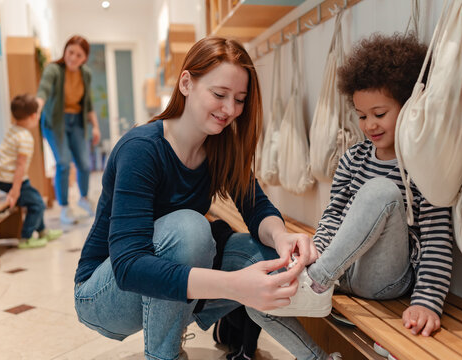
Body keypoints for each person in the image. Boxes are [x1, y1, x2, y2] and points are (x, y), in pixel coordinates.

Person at [74, 37, 322, 360]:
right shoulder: (141, 150)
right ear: (186, 83)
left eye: (240, 99)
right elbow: (128, 266)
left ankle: (314, 356)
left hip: (155, 281)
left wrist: (282, 236)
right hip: (103, 294)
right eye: (219, 95)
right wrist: (234, 286)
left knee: (263, 253)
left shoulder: (221, 146)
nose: (230, 110)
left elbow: (255, 206)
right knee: (190, 229)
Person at [246, 33, 454, 357]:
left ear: (410, 105)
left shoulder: (423, 165)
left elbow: (437, 239)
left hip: (383, 279)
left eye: (379, 113)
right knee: (257, 298)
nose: (369, 124)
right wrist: (310, 258)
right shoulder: (353, 157)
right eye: (361, 115)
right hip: (339, 270)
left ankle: (315, 283)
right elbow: (332, 216)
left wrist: (427, 302)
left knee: (381, 191)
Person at [37, 35, 101, 225]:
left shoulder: (85, 74)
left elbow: (88, 103)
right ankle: (65, 207)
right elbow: (44, 89)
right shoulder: (54, 70)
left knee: (84, 164)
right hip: (56, 123)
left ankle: (83, 199)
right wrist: (38, 106)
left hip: (77, 123)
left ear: (85, 59)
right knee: (64, 163)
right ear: (65, 51)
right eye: (70, 52)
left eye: (79, 55)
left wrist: (95, 126)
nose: (73, 57)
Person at [0, 94, 63, 249]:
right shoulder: (25, 138)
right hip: (11, 180)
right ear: (34, 116)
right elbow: (20, 166)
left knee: (35, 198)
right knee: (38, 204)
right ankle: (26, 238)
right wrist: (15, 190)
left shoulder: (13, 130)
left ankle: (43, 230)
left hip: (1, 177)